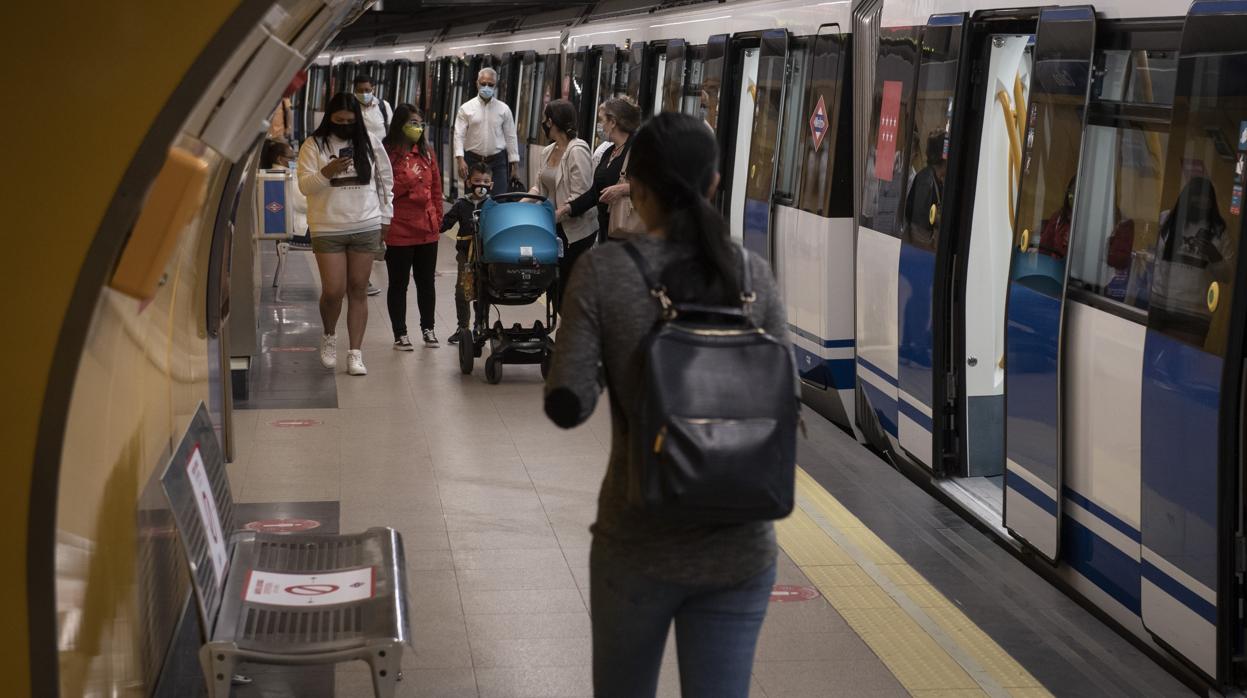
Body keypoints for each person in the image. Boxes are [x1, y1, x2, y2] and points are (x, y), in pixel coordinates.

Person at [543, 112, 788, 698]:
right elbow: (785, 401)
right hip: (742, 546)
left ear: (640, 190)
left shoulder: (604, 271)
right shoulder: (753, 274)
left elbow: (567, 404)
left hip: (638, 542)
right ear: (714, 185)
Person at [297, 92, 394, 377]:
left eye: (350, 122)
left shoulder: (371, 144)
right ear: (330, 119)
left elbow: (385, 181)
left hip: (365, 223)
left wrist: (386, 217)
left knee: (358, 288)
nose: (344, 126)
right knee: (333, 290)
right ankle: (329, 336)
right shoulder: (313, 145)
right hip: (327, 226)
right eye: (339, 121)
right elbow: (305, 186)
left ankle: (355, 353)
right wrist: (327, 172)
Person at [383, 104, 444, 349]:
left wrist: (438, 219)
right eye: (412, 123)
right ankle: (400, 332)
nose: (417, 128)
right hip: (399, 229)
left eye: (420, 123)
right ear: (399, 125)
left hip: (427, 229)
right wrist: (405, 183)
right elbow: (383, 191)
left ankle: (428, 328)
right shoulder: (388, 154)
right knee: (398, 283)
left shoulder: (427, 153)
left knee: (426, 282)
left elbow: (437, 189)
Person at [531, 99, 596, 313]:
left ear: (552, 121)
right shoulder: (548, 151)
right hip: (554, 228)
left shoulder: (577, 150)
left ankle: (573, 332)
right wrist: (518, 204)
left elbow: (581, 195)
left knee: (567, 286)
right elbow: (540, 189)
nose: (543, 123)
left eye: (545, 119)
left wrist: (555, 215)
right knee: (553, 284)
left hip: (575, 232)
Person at [1151, 176, 1233, 345]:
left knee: (1182, 363)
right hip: (1158, 303)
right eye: (1197, 200)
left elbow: (1228, 276)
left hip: (1193, 314)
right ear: (1186, 198)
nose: (1202, 205)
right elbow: (1154, 257)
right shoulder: (1166, 219)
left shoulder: (1219, 231)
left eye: (1206, 201)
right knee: (1150, 356)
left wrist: (1214, 255)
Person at [558, 97, 641, 244]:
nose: (600, 125)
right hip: (607, 232)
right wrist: (567, 209)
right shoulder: (609, 151)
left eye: (602, 120)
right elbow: (595, 193)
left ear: (613, 122)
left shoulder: (639, 149)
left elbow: (657, 186)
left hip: (629, 235)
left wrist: (625, 189)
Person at [441, 161, 493, 344]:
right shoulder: (462, 204)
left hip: (487, 257)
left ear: (491, 185)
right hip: (466, 256)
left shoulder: (493, 206)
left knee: (484, 291)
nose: (482, 185)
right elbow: (445, 223)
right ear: (469, 182)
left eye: (486, 181)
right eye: (477, 180)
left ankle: (481, 325)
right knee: (463, 291)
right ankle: (463, 328)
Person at [354, 75, 393, 297]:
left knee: (381, 211)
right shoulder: (351, 108)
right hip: (361, 171)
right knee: (365, 218)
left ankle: (376, 249)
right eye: (360, 90)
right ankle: (363, 276)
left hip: (382, 167)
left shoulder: (384, 107)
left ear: (374, 88)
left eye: (368, 89)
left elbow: (391, 132)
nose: (365, 93)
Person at [454, 67, 519, 196]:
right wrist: (460, 159)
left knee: (499, 199)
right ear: (477, 83)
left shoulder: (504, 109)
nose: (487, 87)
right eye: (483, 84)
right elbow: (459, 135)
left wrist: (514, 165)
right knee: (474, 201)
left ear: (496, 85)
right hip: (473, 161)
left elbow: (511, 137)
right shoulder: (465, 109)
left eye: (491, 84)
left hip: (497, 162)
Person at [260, 139, 308, 245]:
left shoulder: (269, 174)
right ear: (280, 159)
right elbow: (303, 204)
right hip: (299, 231)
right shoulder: (288, 176)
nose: (295, 160)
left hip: (285, 228)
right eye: (291, 158)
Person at [904, 130, 947, 249]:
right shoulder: (926, 181)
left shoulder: (936, 179)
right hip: (920, 249)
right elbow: (918, 230)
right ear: (943, 158)